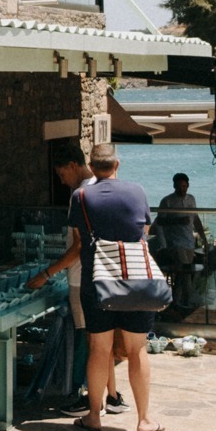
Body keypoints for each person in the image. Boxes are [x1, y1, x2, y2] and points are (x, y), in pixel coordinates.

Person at [62, 144, 163, 431]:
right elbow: (143, 231)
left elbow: (81, 239)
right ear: (117, 165)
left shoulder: (80, 196)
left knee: (99, 349)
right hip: (136, 281)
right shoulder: (138, 191)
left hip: (97, 282)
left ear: (92, 169)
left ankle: (94, 415)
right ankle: (144, 420)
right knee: (137, 349)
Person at [28, 145, 125, 416]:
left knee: (90, 340)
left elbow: (78, 246)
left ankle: (87, 398)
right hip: (104, 273)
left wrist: (47, 273)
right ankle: (113, 396)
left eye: (61, 174)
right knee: (101, 339)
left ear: (72, 165)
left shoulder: (80, 194)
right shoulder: (102, 186)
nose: (61, 180)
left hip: (81, 276)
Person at [150, 174, 205, 307]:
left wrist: (203, 238)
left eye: (184, 186)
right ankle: (188, 301)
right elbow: (159, 222)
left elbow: (195, 218)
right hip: (174, 242)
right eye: (179, 186)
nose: (182, 189)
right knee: (185, 273)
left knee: (182, 274)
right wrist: (178, 220)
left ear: (188, 186)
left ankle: (176, 301)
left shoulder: (191, 199)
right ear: (174, 185)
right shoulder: (167, 201)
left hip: (189, 241)